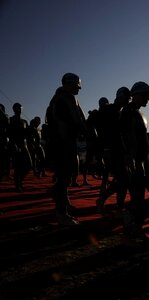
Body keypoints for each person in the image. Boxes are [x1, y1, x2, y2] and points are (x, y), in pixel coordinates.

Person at [46, 72, 87, 226]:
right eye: (77, 84)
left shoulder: (61, 98)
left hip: (63, 142)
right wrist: (83, 133)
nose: (80, 88)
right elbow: (70, 122)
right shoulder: (65, 98)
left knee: (66, 177)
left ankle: (63, 202)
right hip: (63, 143)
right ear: (69, 83)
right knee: (64, 179)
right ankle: (62, 213)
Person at [120, 81, 149, 237]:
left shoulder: (140, 113)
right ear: (136, 94)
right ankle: (130, 231)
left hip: (144, 160)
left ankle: (136, 223)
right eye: (146, 95)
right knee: (137, 198)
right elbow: (125, 136)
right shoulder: (128, 111)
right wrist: (129, 158)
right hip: (135, 160)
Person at [96, 87, 131, 214]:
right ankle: (104, 199)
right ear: (120, 97)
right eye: (127, 98)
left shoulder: (120, 111)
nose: (128, 101)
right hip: (111, 150)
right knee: (124, 179)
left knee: (123, 180)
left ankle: (118, 205)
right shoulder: (110, 110)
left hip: (118, 150)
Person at [8, 102, 32, 192]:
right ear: (13, 109)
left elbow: (27, 135)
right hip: (16, 144)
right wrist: (12, 144)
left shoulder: (25, 121)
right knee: (18, 166)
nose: (19, 109)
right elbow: (10, 133)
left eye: (20, 108)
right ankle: (17, 184)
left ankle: (19, 180)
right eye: (17, 108)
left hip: (24, 145)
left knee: (29, 165)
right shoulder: (11, 120)